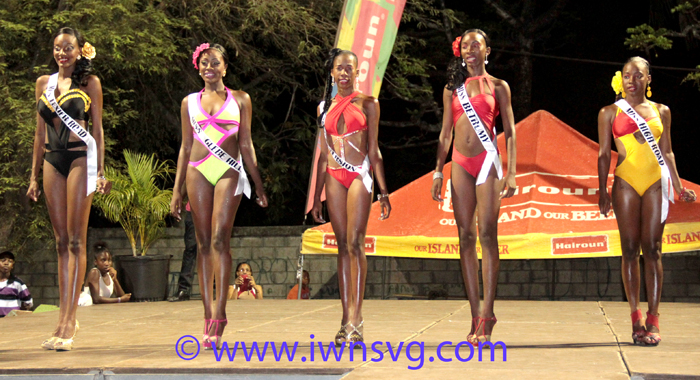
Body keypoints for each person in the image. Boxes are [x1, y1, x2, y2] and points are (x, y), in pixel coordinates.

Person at [170, 43, 268, 350]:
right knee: (202, 243)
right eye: (203, 62)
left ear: (225, 67)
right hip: (197, 170)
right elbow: (185, 148)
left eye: (215, 62)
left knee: (219, 239)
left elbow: (247, 144)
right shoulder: (189, 102)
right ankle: (208, 312)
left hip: (228, 170)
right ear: (197, 68)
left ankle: (221, 312)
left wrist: (258, 184)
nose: (209, 66)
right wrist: (176, 190)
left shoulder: (241, 99)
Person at [597, 57, 696, 346]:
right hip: (626, 182)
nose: (632, 80)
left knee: (652, 248)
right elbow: (604, 154)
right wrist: (602, 190)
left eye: (638, 75)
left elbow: (668, 152)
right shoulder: (608, 112)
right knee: (629, 249)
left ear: (648, 79)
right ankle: (635, 317)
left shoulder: (661, 111)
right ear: (621, 79)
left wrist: (678, 186)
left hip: (655, 183)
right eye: (627, 75)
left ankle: (654, 317)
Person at [431, 29, 517, 346]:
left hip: (488, 163)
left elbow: (509, 129)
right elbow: (444, 134)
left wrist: (511, 173)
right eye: (465, 45)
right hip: (459, 165)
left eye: (476, 45)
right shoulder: (452, 89)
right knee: (464, 235)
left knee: (487, 233)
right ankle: (474, 314)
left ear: (487, 50)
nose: (470, 49)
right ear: (460, 51)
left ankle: (489, 312)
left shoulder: (499, 86)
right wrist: (438, 172)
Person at [27, 27, 110, 351]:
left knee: (76, 239)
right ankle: (63, 317)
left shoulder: (90, 83)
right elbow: (38, 134)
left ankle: (69, 320)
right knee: (60, 241)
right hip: (52, 160)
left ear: (79, 50)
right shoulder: (42, 84)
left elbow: (99, 130)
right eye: (58, 48)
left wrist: (101, 171)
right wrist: (33, 175)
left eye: (69, 48)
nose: (63, 53)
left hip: (80, 159)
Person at [311, 48, 392, 346]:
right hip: (333, 177)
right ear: (331, 72)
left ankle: (357, 317)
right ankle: (345, 318)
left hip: (359, 175)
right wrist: (316, 196)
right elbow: (323, 155)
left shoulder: (369, 103)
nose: (343, 73)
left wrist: (383, 191)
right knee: (342, 246)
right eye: (338, 68)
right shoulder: (323, 107)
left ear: (358, 72)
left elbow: (374, 151)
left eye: (349, 68)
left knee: (356, 243)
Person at [169, 201, 197, 302]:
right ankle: (183, 290)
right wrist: (178, 198)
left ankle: (215, 289)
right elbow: (185, 184)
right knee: (190, 248)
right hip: (194, 209)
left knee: (214, 248)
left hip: (215, 206)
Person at [0, 251, 33, 318]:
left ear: (12, 266)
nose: (6, 263)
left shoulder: (17, 283)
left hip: (12, 322)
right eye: (3, 260)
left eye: (10, 261)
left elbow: (28, 303)